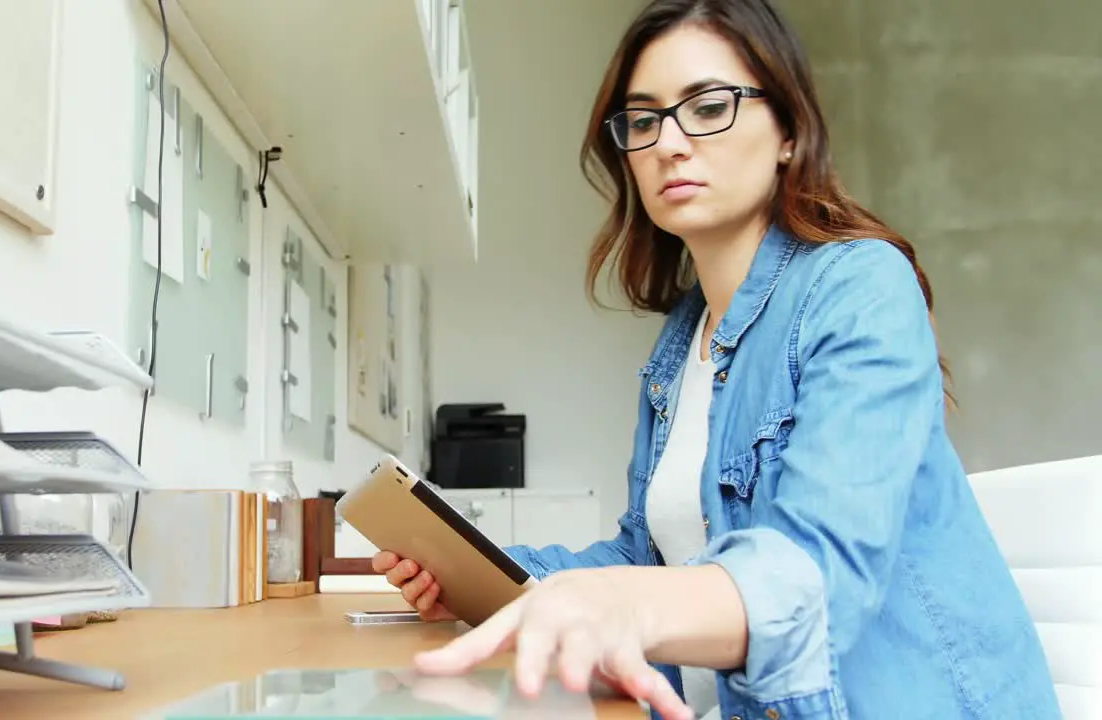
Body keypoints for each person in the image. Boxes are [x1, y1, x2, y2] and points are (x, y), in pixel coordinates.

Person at [373, 0, 1063, 718]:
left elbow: (816, 578)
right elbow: (646, 560)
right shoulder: (682, 342)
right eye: (643, 121)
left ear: (790, 132)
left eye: (707, 107)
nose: (669, 143)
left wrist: (626, 605)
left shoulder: (862, 285)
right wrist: (483, 575)